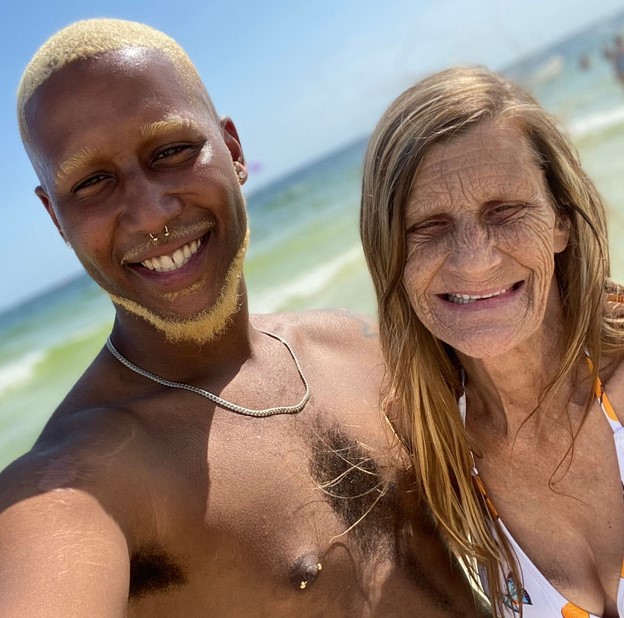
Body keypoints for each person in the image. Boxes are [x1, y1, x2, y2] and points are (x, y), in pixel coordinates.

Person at [0, 19, 489, 618]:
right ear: (55, 216)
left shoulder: (360, 346)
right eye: (93, 182)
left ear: (232, 151)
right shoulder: (78, 479)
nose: (150, 210)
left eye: (172, 151)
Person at [360, 66, 624, 617]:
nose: (474, 258)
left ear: (560, 222)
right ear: (391, 257)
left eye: (504, 211)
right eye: (427, 225)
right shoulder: (432, 471)